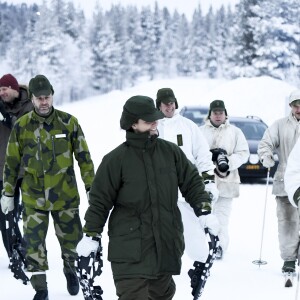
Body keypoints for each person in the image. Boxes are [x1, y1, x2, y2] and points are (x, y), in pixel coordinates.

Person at [76, 95, 220, 300]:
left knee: (163, 295)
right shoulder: (115, 160)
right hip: (129, 251)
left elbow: (192, 184)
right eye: (148, 120)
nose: (155, 122)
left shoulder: (170, 152)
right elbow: (99, 203)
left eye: (155, 118)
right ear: (133, 123)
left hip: (165, 247)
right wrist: (91, 235)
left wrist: (204, 210)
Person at [0, 74, 95, 300]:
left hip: (66, 196)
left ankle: (71, 272)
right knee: (34, 245)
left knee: (72, 243)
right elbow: (11, 163)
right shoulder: (22, 126)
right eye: (39, 98)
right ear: (32, 99)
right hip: (34, 198)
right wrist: (8, 193)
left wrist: (92, 187)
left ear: (52, 96)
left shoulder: (69, 122)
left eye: (47, 97)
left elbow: (84, 158)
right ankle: (40, 288)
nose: (44, 102)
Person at [156, 87, 219, 262]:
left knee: (192, 228)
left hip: (185, 187)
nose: (169, 107)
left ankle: (201, 262)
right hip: (159, 188)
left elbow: (203, 155)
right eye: (165, 104)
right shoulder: (152, 126)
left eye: (172, 103)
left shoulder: (188, 126)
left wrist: (208, 182)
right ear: (158, 105)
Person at [200, 100, 249, 259]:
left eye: (221, 112)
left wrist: (227, 162)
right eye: (215, 112)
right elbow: (194, 155)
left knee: (222, 217)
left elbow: (243, 153)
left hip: (228, 182)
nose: (218, 115)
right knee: (205, 216)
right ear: (210, 114)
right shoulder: (200, 131)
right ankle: (204, 246)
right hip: (204, 183)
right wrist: (210, 156)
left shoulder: (235, 132)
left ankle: (219, 246)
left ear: (225, 114)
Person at [258, 89, 300, 274]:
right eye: (295, 105)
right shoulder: (280, 125)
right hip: (284, 182)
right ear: (290, 106)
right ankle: (289, 259)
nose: (299, 108)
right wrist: (266, 156)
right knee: (287, 222)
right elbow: (265, 143)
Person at [0, 73, 33, 260]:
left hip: (26, 169)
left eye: (4, 89)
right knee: (5, 215)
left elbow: (28, 133)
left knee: (32, 213)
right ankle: (15, 254)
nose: (2, 93)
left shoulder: (29, 106)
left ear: (13, 88)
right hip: (2, 171)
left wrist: (8, 119)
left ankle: (32, 252)